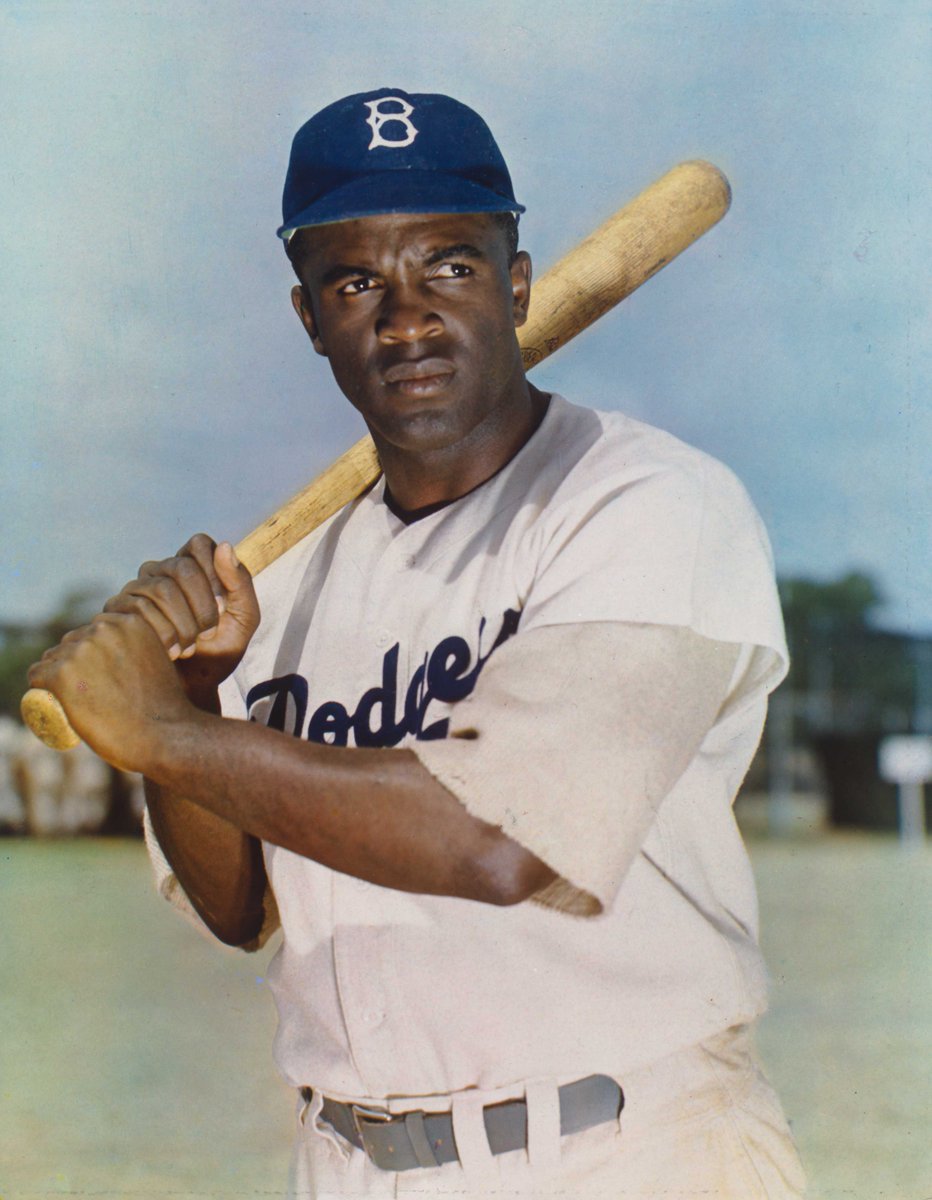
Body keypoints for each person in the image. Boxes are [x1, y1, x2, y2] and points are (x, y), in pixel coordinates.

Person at [29, 88, 806, 1198]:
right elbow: (237, 908)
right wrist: (196, 698)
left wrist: (159, 734)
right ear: (309, 319)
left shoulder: (645, 506)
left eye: (448, 265)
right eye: (357, 283)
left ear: (518, 282)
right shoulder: (281, 582)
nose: (405, 320)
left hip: (622, 1151)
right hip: (347, 1158)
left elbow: (495, 841)